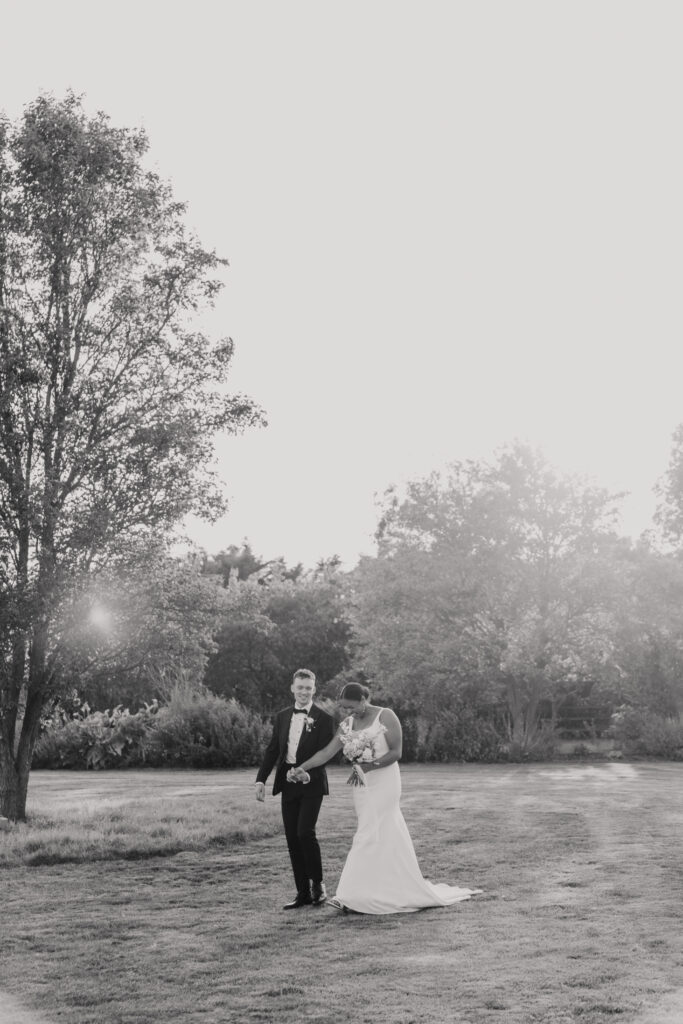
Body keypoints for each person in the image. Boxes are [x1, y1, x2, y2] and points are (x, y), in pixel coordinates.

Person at [289, 682, 483, 914]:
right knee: (374, 831)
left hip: (384, 781)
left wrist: (368, 766)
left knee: (368, 832)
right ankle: (378, 888)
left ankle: (347, 894)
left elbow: (396, 752)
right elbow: (327, 752)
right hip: (361, 785)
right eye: (344, 708)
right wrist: (303, 767)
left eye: (351, 707)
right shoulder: (348, 725)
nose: (348, 713)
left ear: (363, 699)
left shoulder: (385, 715)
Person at [255, 668, 335, 909]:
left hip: (312, 783)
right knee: (291, 837)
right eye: (300, 687)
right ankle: (302, 893)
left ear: (314, 689)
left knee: (304, 833)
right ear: (292, 688)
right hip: (287, 783)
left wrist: (306, 774)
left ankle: (318, 886)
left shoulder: (324, 718)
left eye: (308, 688)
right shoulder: (281, 717)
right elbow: (272, 750)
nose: (304, 692)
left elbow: (325, 755)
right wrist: (261, 780)